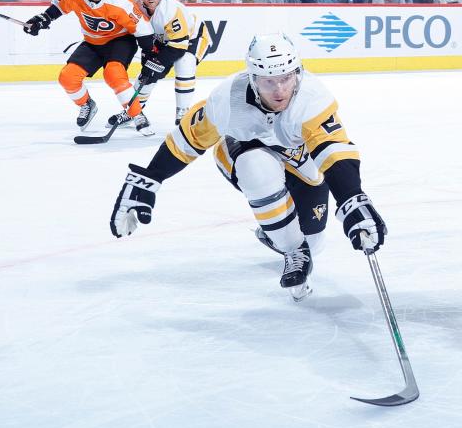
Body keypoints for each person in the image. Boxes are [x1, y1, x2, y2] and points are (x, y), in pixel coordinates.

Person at [109, 32, 387, 302]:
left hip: (300, 161)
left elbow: (334, 151)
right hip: (241, 151)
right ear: (253, 79)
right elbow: (189, 137)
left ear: (298, 73)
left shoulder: (313, 98)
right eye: (268, 81)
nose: (279, 90)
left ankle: (278, 233)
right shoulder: (228, 99)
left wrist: (352, 199)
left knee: (314, 242)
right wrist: (149, 179)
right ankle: (290, 247)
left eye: (286, 78)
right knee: (257, 169)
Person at [22, 0, 156, 134]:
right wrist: (41, 20)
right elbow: (55, 9)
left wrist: (149, 53)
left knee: (113, 74)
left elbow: (142, 29)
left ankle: (137, 114)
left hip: (120, 41)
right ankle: (86, 104)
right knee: (67, 77)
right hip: (92, 42)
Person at [105, 0, 211, 127]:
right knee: (146, 76)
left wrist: (158, 61)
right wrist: (150, 62)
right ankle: (132, 111)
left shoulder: (171, 10)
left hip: (192, 38)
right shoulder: (135, 6)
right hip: (163, 39)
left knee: (184, 65)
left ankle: (183, 112)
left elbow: (178, 46)